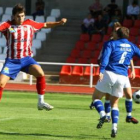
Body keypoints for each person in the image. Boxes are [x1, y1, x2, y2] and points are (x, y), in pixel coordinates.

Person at [0, 4, 67, 111]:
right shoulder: (7, 25)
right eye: (18, 16)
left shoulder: (30, 24)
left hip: (26, 60)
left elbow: (45, 24)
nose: (20, 18)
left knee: (40, 73)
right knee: (1, 83)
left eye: (22, 16)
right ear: (13, 16)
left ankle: (41, 102)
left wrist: (59, 23)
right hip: (12, 61)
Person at [91, 26, 140, 138]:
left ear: (117, 34)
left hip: (109, 73)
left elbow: (105, 58)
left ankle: (103, 114)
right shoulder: (132, 46)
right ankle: (114, 128)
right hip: (122, 77)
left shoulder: (111, 43)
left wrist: (101, 70)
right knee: (115, 104)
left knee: (96, 98)